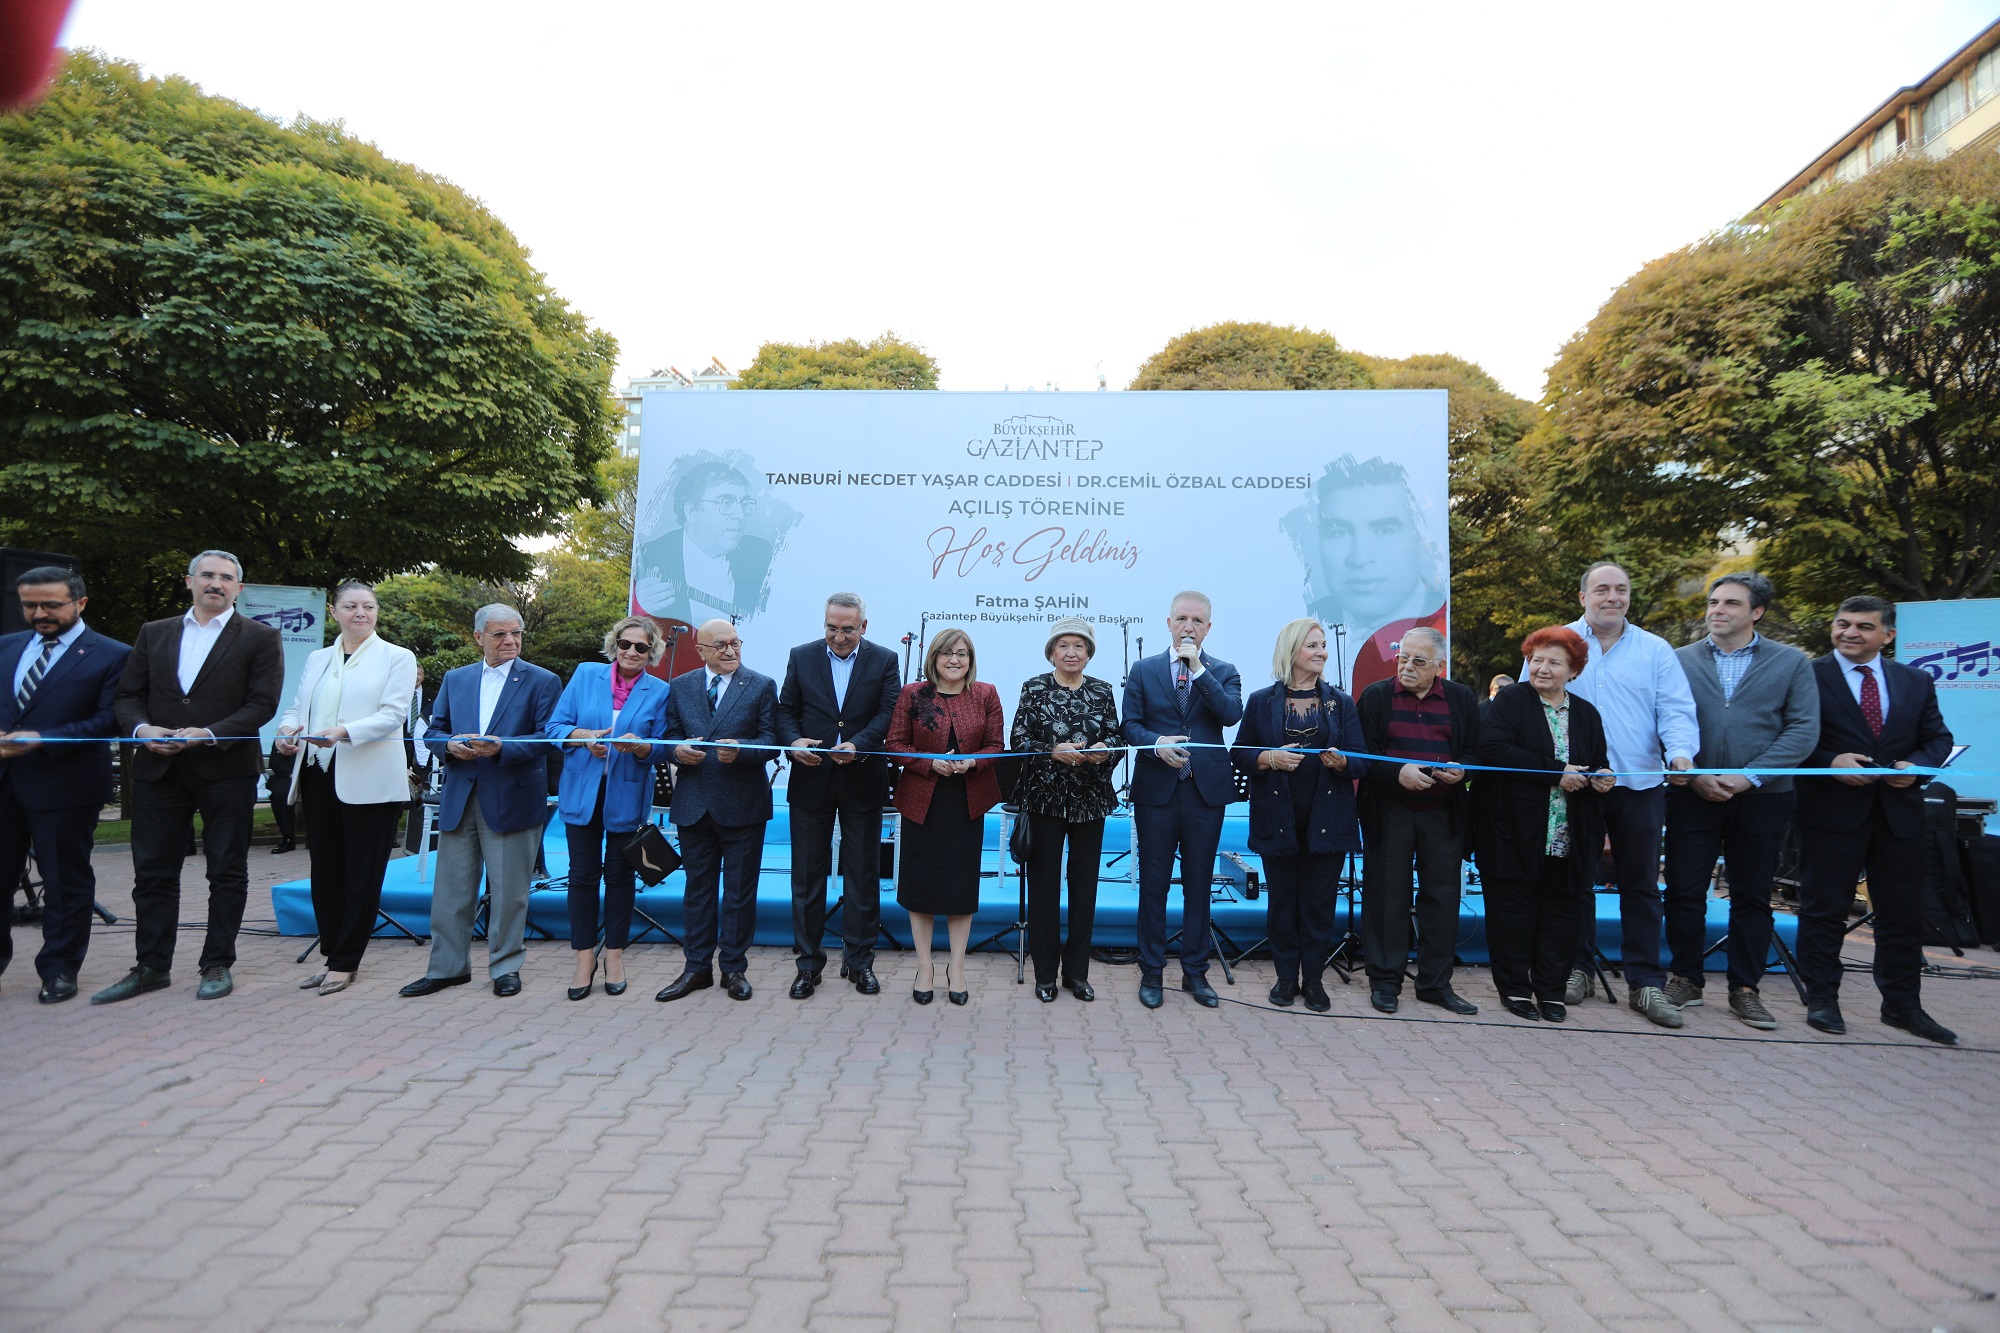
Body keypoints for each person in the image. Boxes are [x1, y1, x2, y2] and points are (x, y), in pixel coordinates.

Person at [98, 550, 282, 1004]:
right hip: (159, 768)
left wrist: (210, 733)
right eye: (207, 575)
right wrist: (142, 730)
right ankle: (151, 967)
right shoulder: (154, 632)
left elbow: (262, 703)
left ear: (239, 588)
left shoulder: (260, 637)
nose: (216, 583)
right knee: (153, 873)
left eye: (226, 578)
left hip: (226, 770)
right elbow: (128, 696)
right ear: (189, 581)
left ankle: (217, 963)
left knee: (226, 871)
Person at [1793, 596, 1956, 1044]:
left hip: (1898, 815)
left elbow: (1938, 738)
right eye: (1842, 623)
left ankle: (1903, 1007)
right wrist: (1830, 761)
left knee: (1902, 915)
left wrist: (1917, 767)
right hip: (1830, 813)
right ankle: (1822, 999)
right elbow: (1789, 735)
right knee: (1824, 910)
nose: (1849, 633)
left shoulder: (1915, 680)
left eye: (1863, 626)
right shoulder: (1806, 675)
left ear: (1888, 635)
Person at [1661, 574, 1819, 1030]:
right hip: (1692, 794)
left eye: (1731, 603)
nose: (1717, 610)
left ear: (1757, 612)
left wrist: (1749, 776)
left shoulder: (1792, 662)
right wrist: (1694, 776)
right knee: (1684, 890)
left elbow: (1803, 730)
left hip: (1763, 798)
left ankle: (1745, 989)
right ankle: (1685, 978)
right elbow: (1661, 719)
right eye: (1713, 602)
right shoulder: (1678, 660)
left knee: (1751, 895)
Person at [1560, 561, 1699, 1028]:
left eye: (1621, 589)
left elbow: (1675, 710)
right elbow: (1530, 704)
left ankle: (1645, 983)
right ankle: (1576, 970)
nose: (1612, 597)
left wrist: (1680, 755)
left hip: (1640, 787)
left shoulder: (1656, 650)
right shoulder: (1557, 643)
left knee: (1641, 886)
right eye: (1602, 589)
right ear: (1583, 596)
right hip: (1577, 786)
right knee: (1574, 882)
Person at [401, 604, 560, 999]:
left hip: (513, 797)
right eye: (500, 634)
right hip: (460, 795)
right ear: (478, 637)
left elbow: (549, 737)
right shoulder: (456, 679)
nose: (510, 641)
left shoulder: (543, 680)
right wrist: (450, 746)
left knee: (510, 892)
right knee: (451, 891)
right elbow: (434, 732)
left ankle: (505, 967)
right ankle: (447, 968)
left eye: (516, 633)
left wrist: (502, 747)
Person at [273, 582, 419, 996]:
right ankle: (330, 954)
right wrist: (287, 731)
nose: (361, 613)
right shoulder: (318, 658)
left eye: (368, 606)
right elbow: (298, 707)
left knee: (362, 875)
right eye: (351, 606)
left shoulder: (397, 656)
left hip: (370, 781)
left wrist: (344, 731)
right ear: (334, 612)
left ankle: (346, 962)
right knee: (325, 872)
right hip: (318, 774)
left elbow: (393, 714)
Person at [0, 566, 130, 1004]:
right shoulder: (5, 647)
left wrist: (43, 739)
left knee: (64, 882)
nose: (40, 614)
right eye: (30, 605)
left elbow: (110, 720)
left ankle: (59, 970)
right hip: (3, 782)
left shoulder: (113, 654)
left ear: (80, 602)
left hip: (65, 785)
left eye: (51, 605)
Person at [1472, 627, 1613, 1021]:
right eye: (1536, 660)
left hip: (1568, 833)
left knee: (1562, 914)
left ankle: (1551, 991)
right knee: (1512, 914)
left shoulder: (1586, 713)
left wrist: (1603, 776)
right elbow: (1492, 748)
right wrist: (1555, 772)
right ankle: (1515, 990)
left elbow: (1597, 760)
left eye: (1554, 662)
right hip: (1513, 830)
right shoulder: (1512, 700)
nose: (1542, 668)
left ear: (1574, 670)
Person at [1232, 618, 1366, 1013]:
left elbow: (1362, 759)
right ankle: (1285, 978)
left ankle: (1314, 981)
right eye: (1313, 645)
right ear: (1292, 652)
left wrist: (1344, 763)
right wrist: (1269, 758)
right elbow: (1240, 753)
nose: (1322, 652)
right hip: (1278, 820)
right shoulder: (1261, 701)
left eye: (1323, 645)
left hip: (1328, 820)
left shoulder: (1340, 702)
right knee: (1283, 905)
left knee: (1319, 904)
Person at [1121, 591, 1244, 1010]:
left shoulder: (1223, 671)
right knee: (1153, 885)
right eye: (1181, 619)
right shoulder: (1143, 669)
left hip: (1203, 793)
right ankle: (1151, 971)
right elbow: (1130, 725)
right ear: (1168, 623)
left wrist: (1199, 671)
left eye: (1196, 621)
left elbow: (1230, 715)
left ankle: (1195, 971)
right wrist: (1156, 744)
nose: (1188, 627)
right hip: (1157, 791)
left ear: (1208, 627)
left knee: (1199, 884)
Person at [775, 592, 902, 998]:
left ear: (864, 626)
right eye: (832, 628)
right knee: (806, 878)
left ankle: (859, 962)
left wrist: (859, 744)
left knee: (863, 877)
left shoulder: (885, 660)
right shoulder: (801, 655)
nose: (839, 636)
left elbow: (889, 712)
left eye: (848, 629)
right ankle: (808, 965)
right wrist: (793, 741)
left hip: (862, 779)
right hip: (811, 778)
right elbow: (786, 710)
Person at [1355, 625, 1480, 1016]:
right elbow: (1363, 754)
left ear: (1439, 666)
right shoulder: (1377, 696)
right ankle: (1385, 982)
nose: (1407, 667)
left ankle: (1434, 984)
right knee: (1386, 897)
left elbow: (1474, 750)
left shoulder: (1461, 698)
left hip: (1443, 812)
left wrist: (1463, 770)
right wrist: (1398, 772)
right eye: (1403, 657)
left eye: (1418, 661)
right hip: (1390, 810)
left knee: (1442, 899)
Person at [546, 616, 671, 1000]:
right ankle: (584, 958)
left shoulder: (660, 690)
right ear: (614, 644)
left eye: (641, 647)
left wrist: (640, 746)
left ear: (652, 652)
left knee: (620, 877)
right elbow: (554, 728)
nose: (631, 652)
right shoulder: (586, 674)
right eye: (624, 644)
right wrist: (583, 737)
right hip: (581, 792)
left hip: (627, 795)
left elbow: (662, 747)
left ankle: (614, 956)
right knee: (582, 876)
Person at [657, 618, 778, 1003]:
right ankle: (696, 969)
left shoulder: (761, 685)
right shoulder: (680, 686)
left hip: (743, 804)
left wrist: (742, 750)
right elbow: (668, 737)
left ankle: (733, 970)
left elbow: (771, 741)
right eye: (721, 645)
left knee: (740, 892)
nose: (730, 650)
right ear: (701, 650)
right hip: (694, 804)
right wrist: (677, 751)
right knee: (697, 892)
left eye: (735, 643)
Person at [886, 629, 1004, 1005]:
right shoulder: (914, 694)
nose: (955, 660)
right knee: (920, 888)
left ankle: (958, 968)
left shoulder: (985, 693)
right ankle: (925, 968)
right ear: (934, 657)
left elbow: (996, 746)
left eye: (962, 653)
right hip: (922, 802)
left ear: (971, 659)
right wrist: (928, 762)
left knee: (959, 889)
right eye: (947, 653)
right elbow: (894, 745)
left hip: (966, 803)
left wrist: (973, 762)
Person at [1009, 617, 1119, 1002]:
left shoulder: (1103, 690)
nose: (1071, 652)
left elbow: (1116, 738)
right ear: (1052, 652)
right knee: (1043, 888)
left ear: (1089, 653)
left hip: (1090, 800)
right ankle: (1045, 975)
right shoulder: (1034, 688)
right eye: (1064, 645)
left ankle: (1077, 973)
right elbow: (1019, 739)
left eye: (1079, 646)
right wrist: (1051, 751)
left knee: (1085, 888)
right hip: (1045, 799)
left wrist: (1104, 751)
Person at [1305, 456, 1448, 695]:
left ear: (1417, 537)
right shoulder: (1310, 624)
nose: (1360, 557)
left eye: (1384, 530)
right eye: (1339, 532)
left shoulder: (1438, 628)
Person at [634, 461, 775, 625]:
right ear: (692, 512)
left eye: (744, 504)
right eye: (726, 503)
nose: (740, 515)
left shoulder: (760, 554)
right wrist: (640, 606)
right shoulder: (651, 555)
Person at [266, 737, 298, 854]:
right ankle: (288, 837)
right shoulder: (285, 737)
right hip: (287, 776)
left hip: (314, 775)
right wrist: (292, 774)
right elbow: (275, 763)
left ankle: (316, 836)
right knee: (280, 793)